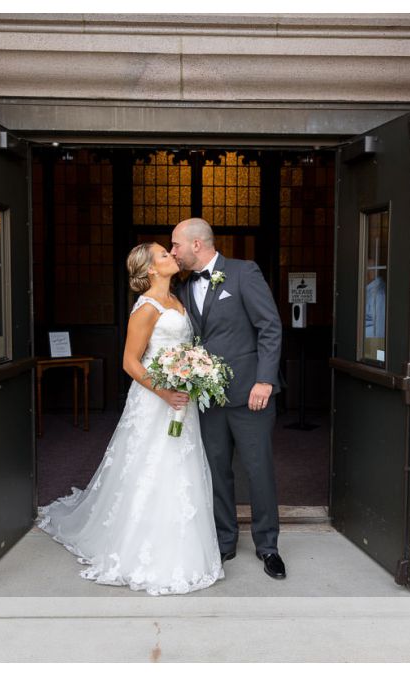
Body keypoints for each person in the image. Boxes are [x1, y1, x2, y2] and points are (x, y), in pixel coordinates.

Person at [37, 242, 224, 595]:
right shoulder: (147, 308)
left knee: (181, 468)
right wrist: (166, 392)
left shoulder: (177, 300)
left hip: (181, 396)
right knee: (152, 467)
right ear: (152, 269)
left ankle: (182, 544)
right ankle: (142, 549)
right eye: (164, 255)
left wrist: (191, 374)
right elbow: (130, 362)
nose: (171, 255)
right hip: (157, 400)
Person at [170, 218, 286, 580]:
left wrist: (265, 380)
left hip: (251, 395)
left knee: (258, 471)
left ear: (197, 245)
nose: (173, 251)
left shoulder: (242, 272)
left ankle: (268, 545)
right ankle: (225, 541)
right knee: (217, 472)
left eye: (176, 245)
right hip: (207, 398)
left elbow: (270, 325)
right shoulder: (185, 288)